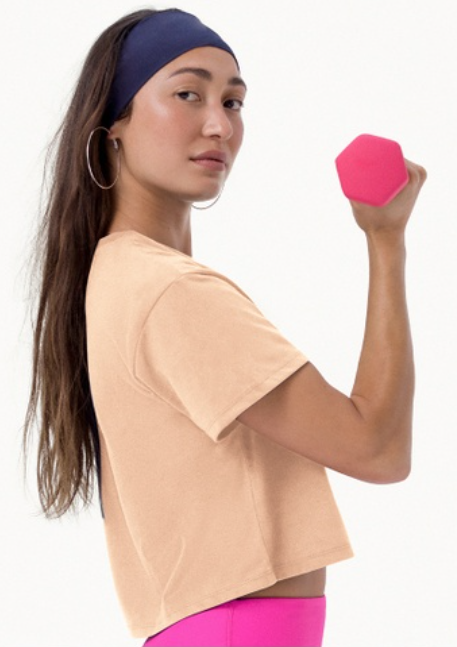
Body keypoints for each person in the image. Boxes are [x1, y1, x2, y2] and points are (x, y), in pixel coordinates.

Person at [21, 7, 427, 647]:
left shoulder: (121, 276)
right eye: (188, 94)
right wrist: (386, 241)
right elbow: (377, 448)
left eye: (233, 102)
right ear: (114, 122)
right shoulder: (169, 291)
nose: (219, 125)